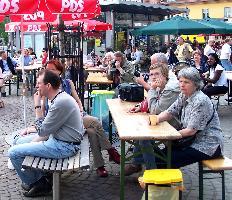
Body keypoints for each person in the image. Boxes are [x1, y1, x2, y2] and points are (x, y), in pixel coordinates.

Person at [15, 60, 120, 178]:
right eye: (47, 69)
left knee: (94, 123)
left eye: (52, 69)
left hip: (76, 117)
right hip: (60, 122)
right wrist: (33, 127)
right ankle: (105, 159)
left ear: (59, 71)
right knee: (92, 130)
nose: (49, 71)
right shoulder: (45, 89)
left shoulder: (67, 83)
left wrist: (79, 111)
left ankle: (106, 158)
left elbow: (77, 101)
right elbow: (44, 114)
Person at [8, 69, 85, 197]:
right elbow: (46, 127)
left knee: (13, 152)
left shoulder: (60, 102)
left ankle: (39, 183)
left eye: (39, 83)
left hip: (64, 146)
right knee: (17, 141)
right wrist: (33, 138)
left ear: (48, 85)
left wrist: (37, 105)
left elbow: (43, 130)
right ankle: (39, 176)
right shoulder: (59, 98)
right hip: (59, 140)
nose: (36, 86)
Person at [154, 67, 223, 169]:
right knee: (158, 155)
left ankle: (164, 183)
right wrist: (155, 120)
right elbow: (170, 112)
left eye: (186, 82)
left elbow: (191, 131)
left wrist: (168, 135)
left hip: (207, 145)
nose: (182, 85)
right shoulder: (184, 94)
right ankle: (158, 181)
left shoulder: (200, 100)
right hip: (191, 141)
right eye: (180, 81)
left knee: (163, 160)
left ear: (196, 84)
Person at [124, 63, 181, 175]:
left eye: (157, 74)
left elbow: (155, 110)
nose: (154, 77)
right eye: (151, 74)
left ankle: (151, 172)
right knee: (140, 131)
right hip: (163, 123)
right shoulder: (162, 86)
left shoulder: (171, 90)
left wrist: (152, 89)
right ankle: (136, 164)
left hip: (175, 129)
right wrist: (140, 106)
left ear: (165, 75)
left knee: (144, 137)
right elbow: (152, 104)